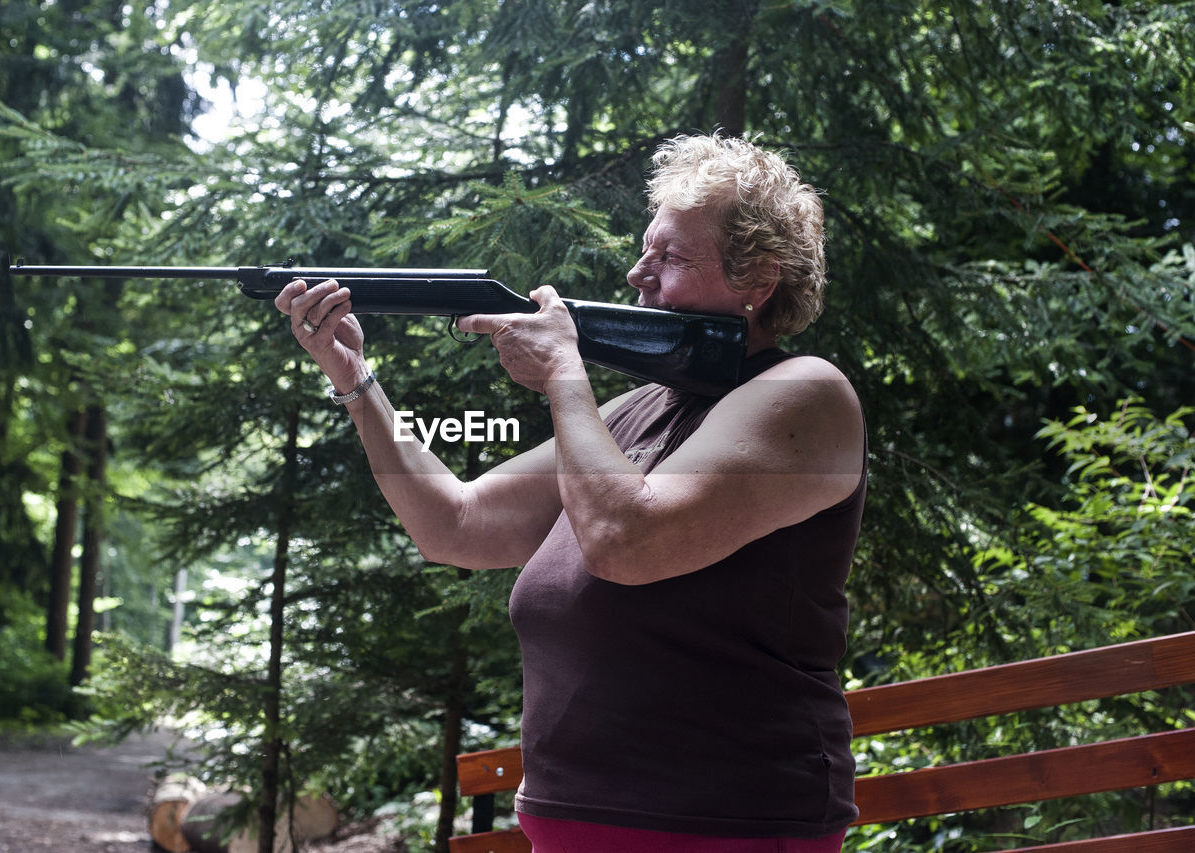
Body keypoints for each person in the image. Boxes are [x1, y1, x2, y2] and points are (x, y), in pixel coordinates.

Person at [275, 133, 866, 852]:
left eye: (670, 257)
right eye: (646, 249)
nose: (636, 273)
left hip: (727, 825)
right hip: (581, 824)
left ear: (759, 280)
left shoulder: (806, 394)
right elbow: (455, 525)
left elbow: (627, 540)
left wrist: (564, 372)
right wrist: (354, 377)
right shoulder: (635, 410)